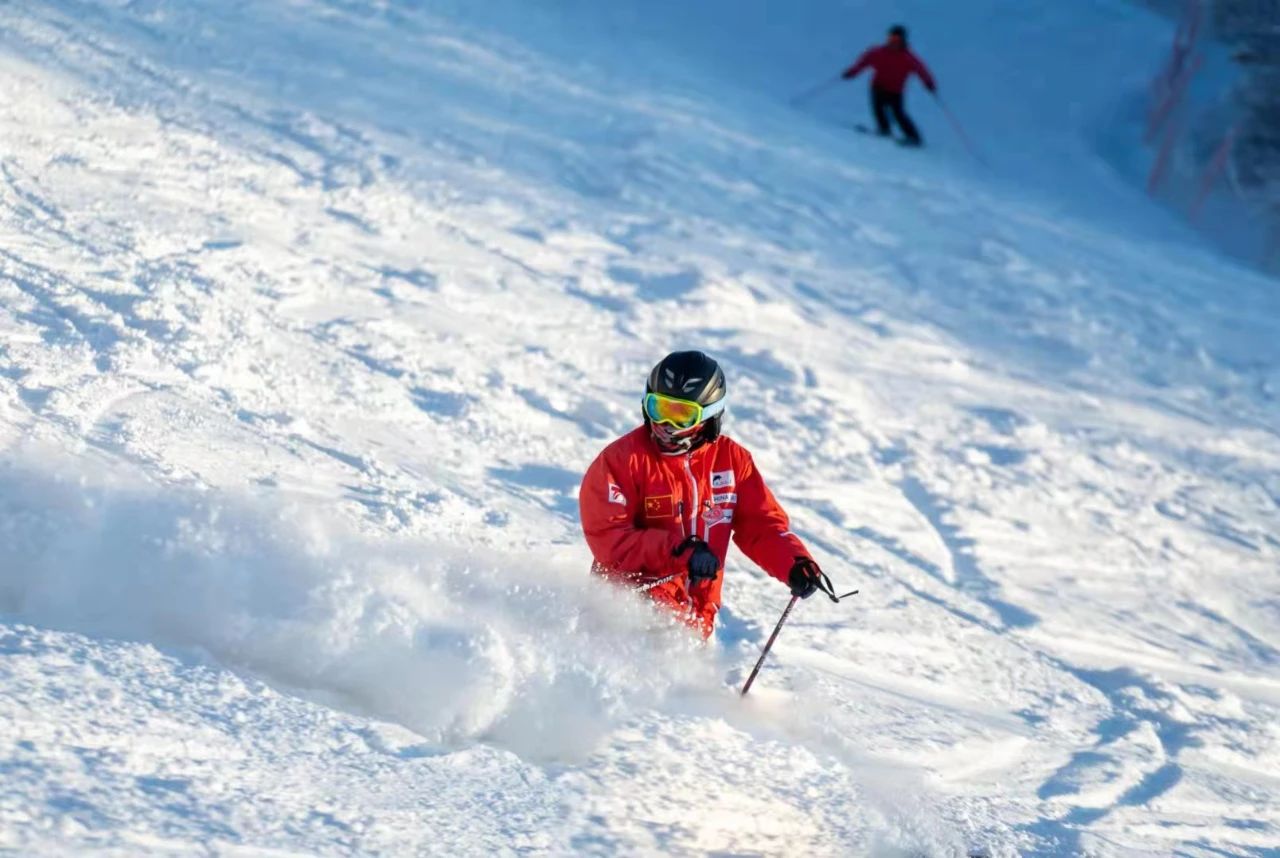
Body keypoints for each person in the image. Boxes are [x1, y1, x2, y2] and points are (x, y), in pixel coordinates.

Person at [578, 350, 826, 638]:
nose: (666, 424)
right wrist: (681, 552)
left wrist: (793, 563)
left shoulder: (732, 461)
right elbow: (610, 539)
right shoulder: (622, 461)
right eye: (659, 408)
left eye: (682, 414)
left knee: (682, 671)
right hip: (629, 607)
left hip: (696, 614)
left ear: (709, 415)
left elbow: (761, 525)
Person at [841, 24, 936, 146]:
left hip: (895, 91)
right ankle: (884, 129)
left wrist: (929, 83)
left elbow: (921, 71)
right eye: (891, 38)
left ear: (903, 40)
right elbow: (863, 62)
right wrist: (851, 72)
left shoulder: (908, 58)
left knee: (898, 113)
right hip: (878, 86)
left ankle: (913, 137)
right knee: (878, 108)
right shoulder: (878, 52)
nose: (893, 42)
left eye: (897, 39)